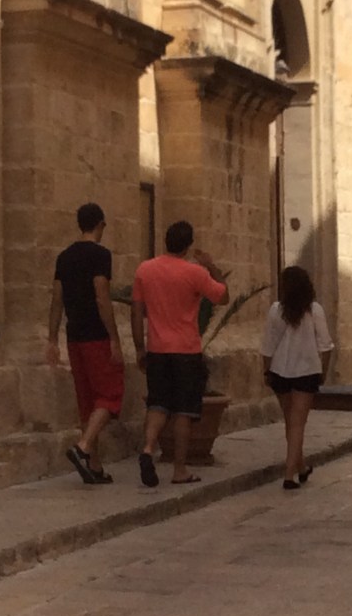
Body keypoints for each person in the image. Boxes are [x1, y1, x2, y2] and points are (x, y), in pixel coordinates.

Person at [130, 221, 228, 487]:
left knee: (158, 405)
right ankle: (179, 469)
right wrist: (211, 266)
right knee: (184, 411)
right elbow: (223, 297)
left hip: (157, 349)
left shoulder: (145, 270)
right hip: (186, 351)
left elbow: (136, 311)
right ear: (188, 245)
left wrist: (139, 347)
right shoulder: (195, 273)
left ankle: (148, 448)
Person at [47, 203, 124, 485]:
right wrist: (114, 338)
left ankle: (95, 466)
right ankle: (83, 447)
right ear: (100, 224)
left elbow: (57, 299)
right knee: (110, 394)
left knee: (87, 401)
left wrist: (52, 339)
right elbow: (102, 296)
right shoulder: (100, 255)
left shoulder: (64, 257)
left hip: (74, 336)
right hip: (96, 334)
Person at [261, 266, 334, 490]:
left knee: (290, 422)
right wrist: (323, 371)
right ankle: (289, 474)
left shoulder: (276, 310)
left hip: (280, 370)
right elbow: (326, 345)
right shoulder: (315, 310)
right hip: (306, 371)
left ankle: (300, 467)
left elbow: (268, 345)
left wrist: (266, 370)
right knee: (298, 424)